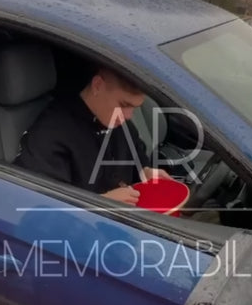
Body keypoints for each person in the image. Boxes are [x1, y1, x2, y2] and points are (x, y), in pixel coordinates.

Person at [14, 67, 171, 205]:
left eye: (135, 108)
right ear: (97, 85)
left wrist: (146, 173)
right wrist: (101, 204)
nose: (129, 116)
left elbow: (137, 159)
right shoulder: (51, 134)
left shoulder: (121, 125)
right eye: (124, 105)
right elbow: (40, 206)